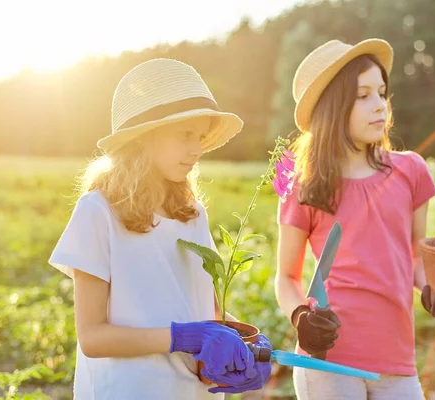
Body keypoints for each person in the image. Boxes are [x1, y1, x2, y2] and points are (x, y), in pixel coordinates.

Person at [49, 58, 272, 400]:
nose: (196, 149)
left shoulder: (192, 214)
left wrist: (249, 342)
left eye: (200, 137)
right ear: (143, 137)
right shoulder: (98, 212)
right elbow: (92, 338)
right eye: (185, 135)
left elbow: (205, 312)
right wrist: (182, 338)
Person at [274, 39, 435, 399]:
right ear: (332, 107)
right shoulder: (304, 186)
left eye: (382, 93)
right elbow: (286, 277)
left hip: (398, 361)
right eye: (363, 95)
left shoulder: (410, 171)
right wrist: (300, 318)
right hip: (328, 362)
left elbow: (416, 258)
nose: (380, 106)